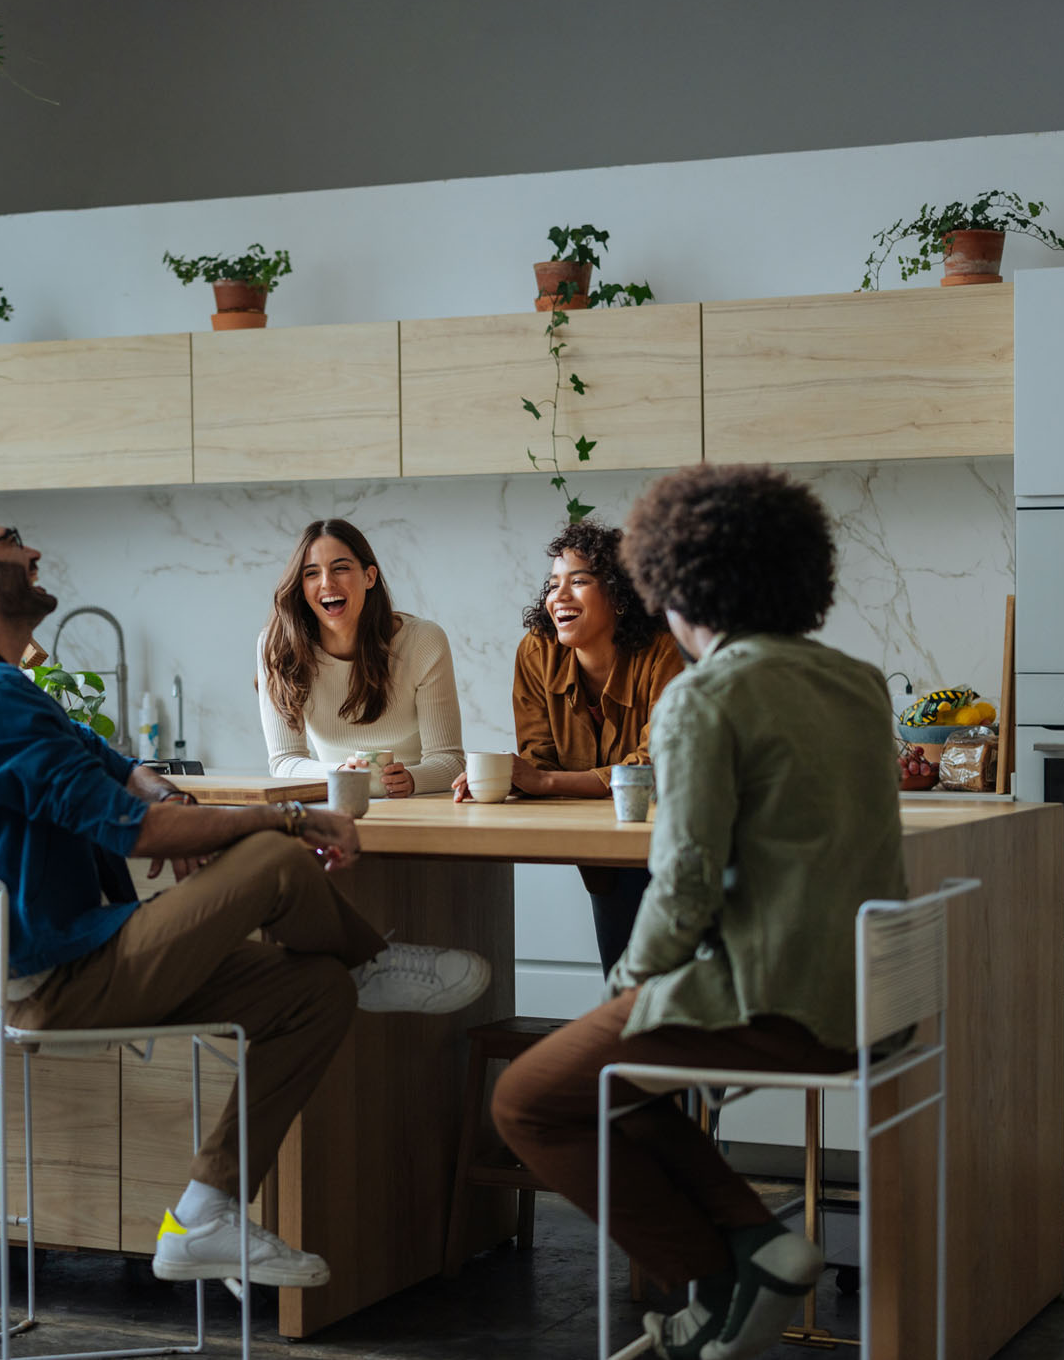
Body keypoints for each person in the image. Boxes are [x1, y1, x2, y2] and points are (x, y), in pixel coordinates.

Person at [0, 497, 490, 1294]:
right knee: (277, 857)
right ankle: (372, 964)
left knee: (314, 995)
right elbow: (130, 830)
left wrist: (171, 800)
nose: (32, 554)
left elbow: (116, 766)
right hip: (56, 981)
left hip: (92, 950)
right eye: (10, 544)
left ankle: (203, 1214)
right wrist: (286, 815)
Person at [490, 466, 909, 1360]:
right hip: (874, 1000)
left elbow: (681, 880)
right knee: (614, 1080)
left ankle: (723, 1273)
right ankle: (756, 1245)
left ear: (670, 587)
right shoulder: (859, 683)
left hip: (774, 1002)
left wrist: (630, 994)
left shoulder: (701, 695)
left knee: (528, 1101)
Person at [453, 521, 685, 973]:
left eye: (579, 581)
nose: (559, 596)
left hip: (670, 842)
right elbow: (538, 756)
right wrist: (507, 778)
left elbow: (655, 766)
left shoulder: (665, 652)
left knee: (651, 979)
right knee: (626, 979)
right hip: (601, 848)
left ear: (619, 595)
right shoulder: (537, 653)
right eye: (554, 584)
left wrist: (542, 781)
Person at [257, 519, 464, 798]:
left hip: (418, 803)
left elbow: (450, 761)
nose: (327, 583)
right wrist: (340, 774)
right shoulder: (278, 647)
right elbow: (283, 762)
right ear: (301, 587)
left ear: (369, 577)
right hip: (335, 803)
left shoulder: (423, 642)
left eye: (340, 568)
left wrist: (412, 779)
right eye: (311, 573)